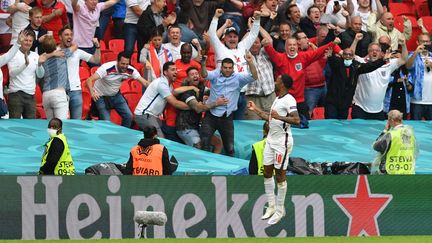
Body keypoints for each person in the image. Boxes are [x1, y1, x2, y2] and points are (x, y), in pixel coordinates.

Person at [247, 74, 300, 225]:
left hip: (282, 143)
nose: (275, 81)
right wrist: (255, 109)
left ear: (282, 84)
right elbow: (270, 118)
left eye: (278, 80)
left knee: (280, 176)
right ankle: (271, 206)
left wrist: (280, 117)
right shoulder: (277, 99)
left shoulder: (289, 100)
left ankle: (280, 209)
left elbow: (297, 120)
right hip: (270, 141)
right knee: (267, 173)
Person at [200, 54, 258, 157]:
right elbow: (204, 75)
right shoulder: (216, 74)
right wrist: (203, 64)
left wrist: (250, 62)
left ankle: (230, 171)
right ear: (221, 67)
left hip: (227, 117)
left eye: (230, 68)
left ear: (233, 68)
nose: (227, 70)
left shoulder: (238, 78)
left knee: (230, 149)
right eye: (225, 68)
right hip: (211, 115)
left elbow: (254, 76)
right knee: (204, 144)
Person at [86, 51, 149, 127]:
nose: (125, 66)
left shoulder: (130, 70)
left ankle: (122, 135)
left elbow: (145, 82)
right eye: (122, 64)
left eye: (127, 64)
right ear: (117, 62)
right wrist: (92, 93)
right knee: (106, 122)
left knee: (128, 116)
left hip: (116, 95)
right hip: (100, 96)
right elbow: (89, 80)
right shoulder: (107, 68)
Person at [134, 61, 195, 137]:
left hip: (153, 116)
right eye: (172, 70)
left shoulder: (168, 85)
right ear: (165, 72)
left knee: (167, 134)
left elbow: (175, 92)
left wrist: (192, 87)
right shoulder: (162, 84)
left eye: (176, 70)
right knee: (160, 140)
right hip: (144, 115)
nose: (176, 72)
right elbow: (175, 103)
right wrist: (194, 107)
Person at [176, 66, 228, 148]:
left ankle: (212, 161)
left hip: (197, 126)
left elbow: (215, 92)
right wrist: (216, 103)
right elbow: (198, 109)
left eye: (196, 73)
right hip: (185, 128)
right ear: (188, 78)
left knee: (218, 143)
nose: (195, 76)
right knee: (198, 146)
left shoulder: (201, 88)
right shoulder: (187, 92)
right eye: (192, 74)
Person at [59, 24, 100, 119]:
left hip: (76, 91)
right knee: (61, 121)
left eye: (71, 35)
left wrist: (97, 47)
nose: (69, 37)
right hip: (60, 91)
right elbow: (65, 54)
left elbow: (95, 60)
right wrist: (74, 47)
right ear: (60, 37)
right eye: (66, 35)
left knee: (76, 123)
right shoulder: (55, 51)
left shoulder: (78, 52)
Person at [7, 29, 45, 119]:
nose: (28, 43)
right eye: (26, 40)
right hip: (16, 94)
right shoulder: (13, 53)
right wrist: (25, 65)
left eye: (30, 41)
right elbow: (11, 74)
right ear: (21, 40)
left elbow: (40, 75)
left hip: (31, 95)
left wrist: (39, 65)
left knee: (30, 127)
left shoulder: (35, 55)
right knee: (14, 126)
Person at [372, 110, 417, 175]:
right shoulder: (411, 134)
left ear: (392, 120)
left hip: (392, 171)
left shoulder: (391, 135)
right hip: (409, 171)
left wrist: (385, 131)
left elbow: (376, 146)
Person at [405, 33, 432, 120]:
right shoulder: (412, 55)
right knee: (416, 127)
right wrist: (416, 52)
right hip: (417, 100)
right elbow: (408, 66)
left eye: (427, 41)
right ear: (417, 42)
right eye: (422, 41)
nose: (425, 44)